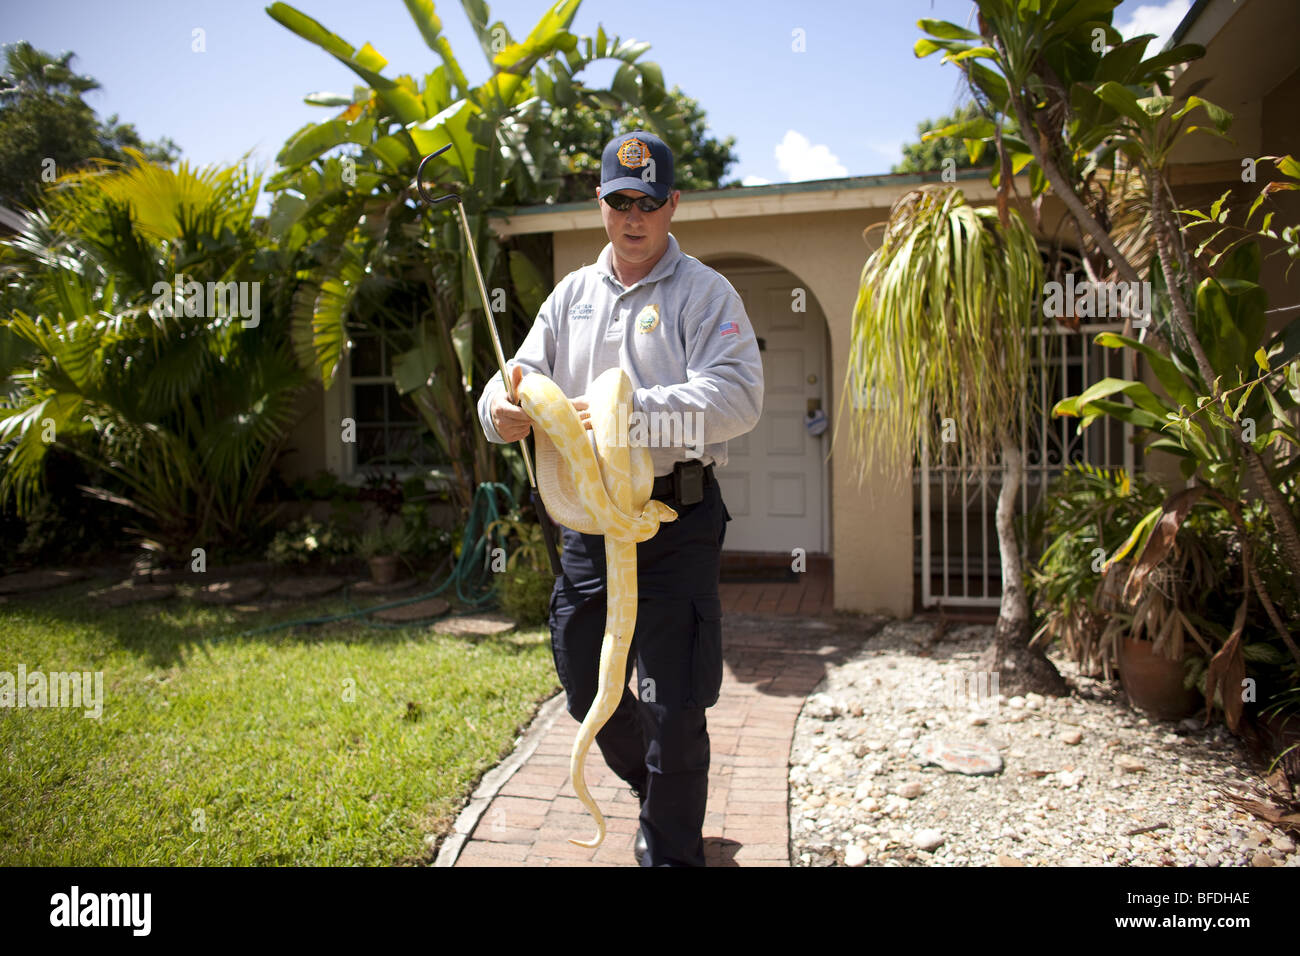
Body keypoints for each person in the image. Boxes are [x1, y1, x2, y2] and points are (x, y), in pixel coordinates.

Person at [476, 131, 763, 866]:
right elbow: (514, 378)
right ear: (600, 204)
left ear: (673, 205)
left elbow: (738, 398)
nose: (633, 216)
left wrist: (628, 412)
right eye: (619, 201)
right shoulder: (570, 297)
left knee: (675, 703)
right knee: (583, 683)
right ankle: (653, 790)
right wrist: (497, 413)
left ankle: (670, 849)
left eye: (648, 202)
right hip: (589, 526)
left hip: (676, 519)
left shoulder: (704, 292)